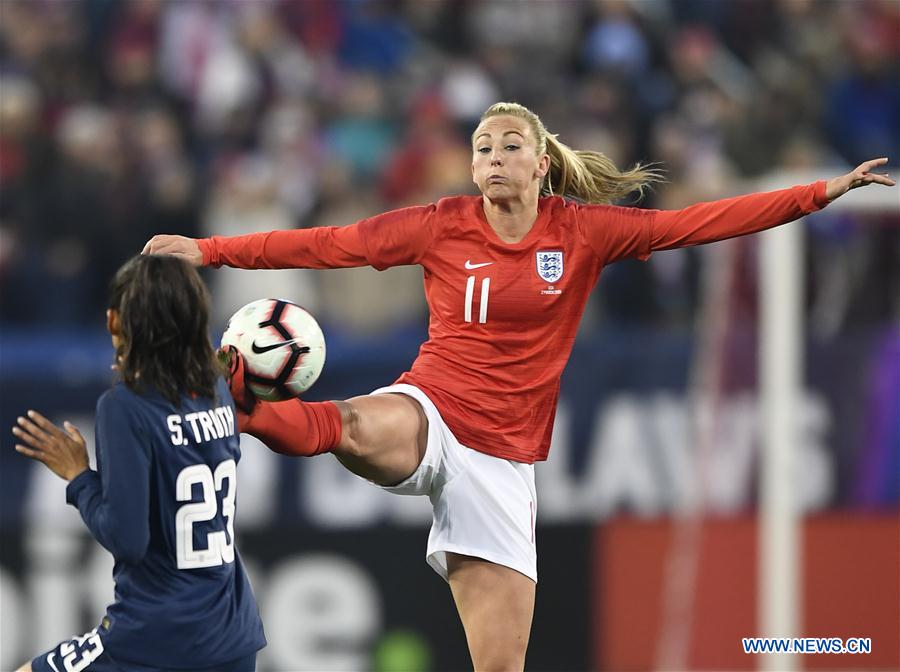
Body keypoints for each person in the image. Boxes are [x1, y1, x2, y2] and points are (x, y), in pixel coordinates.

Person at [143, 102, 894, 670]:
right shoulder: (441, 224)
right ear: (472, 169)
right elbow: (326, 245)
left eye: (511, 145)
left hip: (502, 463)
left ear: (540, 165)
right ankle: (246, 411)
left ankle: (252, 411)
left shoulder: (584, 232)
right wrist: (209, 248)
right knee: (359, 425)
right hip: (432, 406)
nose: (494, 155)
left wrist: (819, 193)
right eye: (482, 147)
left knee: (499, 665)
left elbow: (699, 222)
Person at [11, 255, 266, 672]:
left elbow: (128, 538)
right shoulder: (217, 388)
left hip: (158, 638)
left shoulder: (124, 407)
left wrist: (78, 478)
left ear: (114, 321)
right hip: (233, 631)